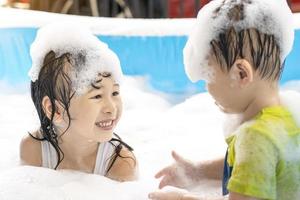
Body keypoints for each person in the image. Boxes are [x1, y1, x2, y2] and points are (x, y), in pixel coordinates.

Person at [149, 0, 300, 199]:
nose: (206, 86)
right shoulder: (287, 115)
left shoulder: (255, 138)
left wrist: (182, 198)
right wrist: (197, 170)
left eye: (209, 76)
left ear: (241, 74)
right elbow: (251, 165)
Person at [19, 22, 138, 182]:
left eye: (115, 92)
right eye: (97, 96)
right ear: (56, 111)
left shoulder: (119, 164)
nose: (111, 108)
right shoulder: (33, 150)